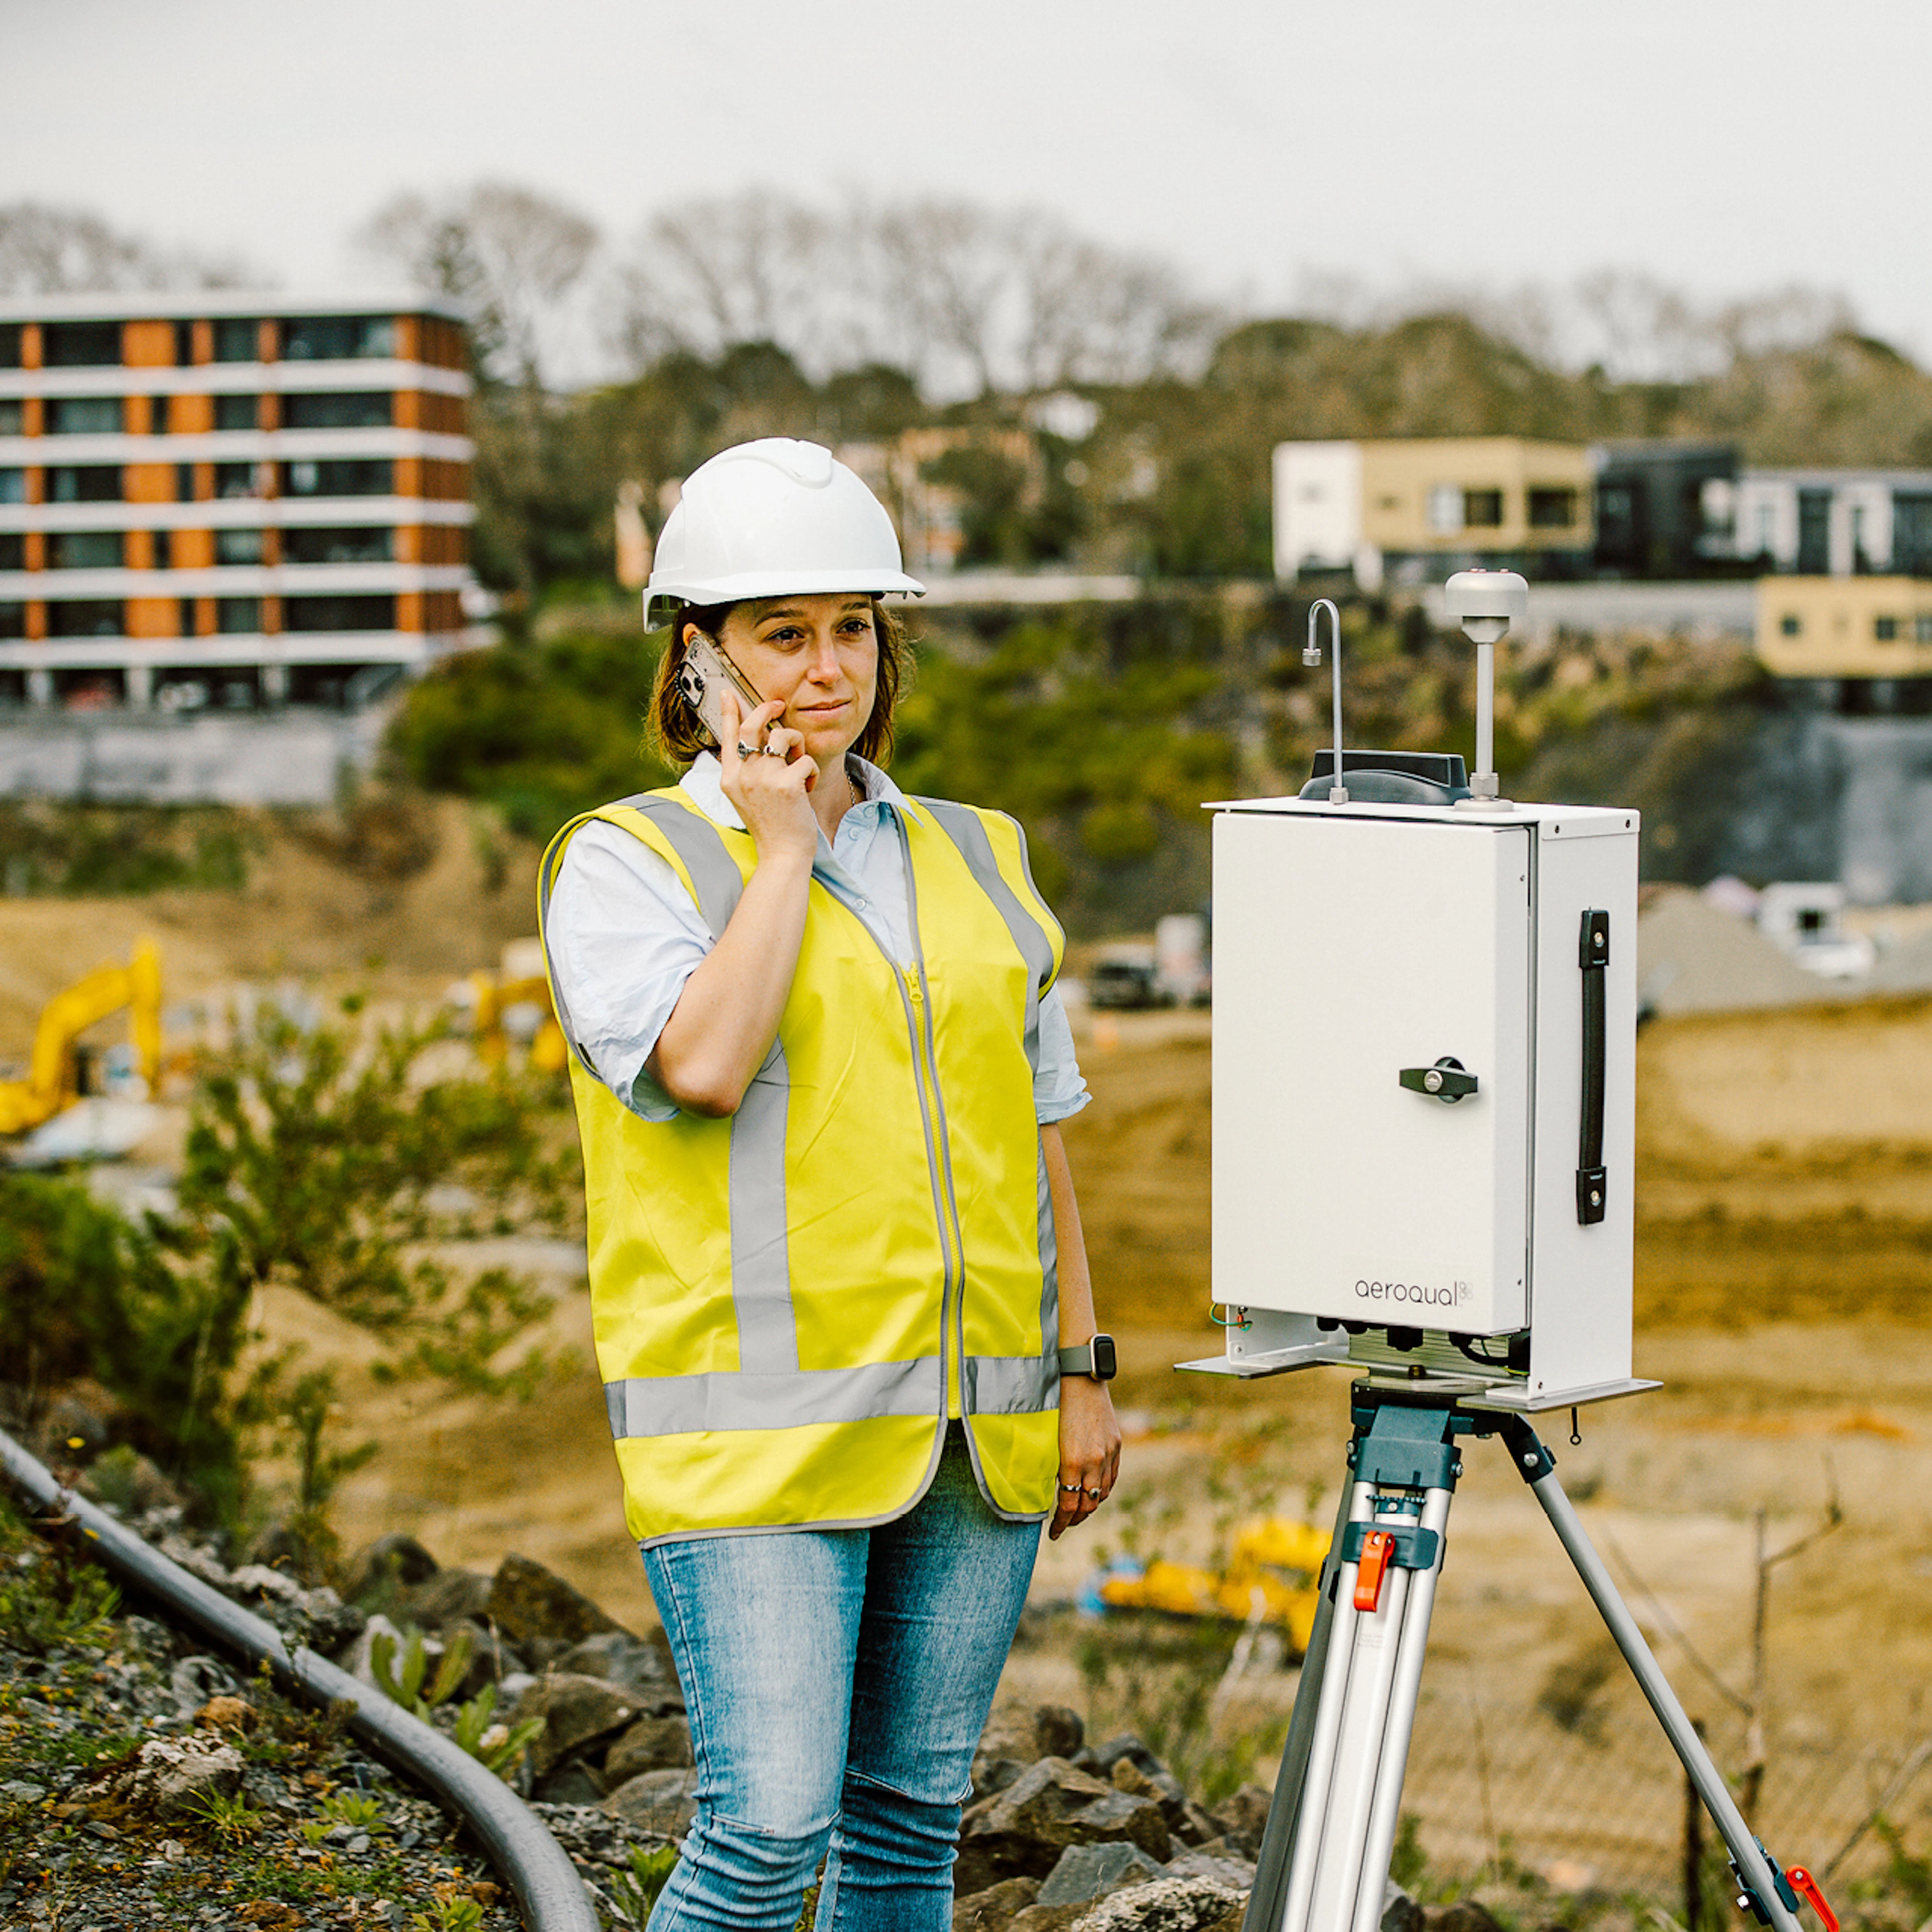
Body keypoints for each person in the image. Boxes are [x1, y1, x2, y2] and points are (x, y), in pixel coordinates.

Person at [539, 437, 1121, 1932]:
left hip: (968, 1430)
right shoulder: (632, 863)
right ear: (699, 659)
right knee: (767, 1830)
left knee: (910, 1820)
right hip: (756, 1446)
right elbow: (705, 1065)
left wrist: (1083, 1372)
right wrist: (785, 848)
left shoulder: (978, 856)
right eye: (781, 635)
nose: (826, 667)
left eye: (852, 628)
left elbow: (1039, 1130)